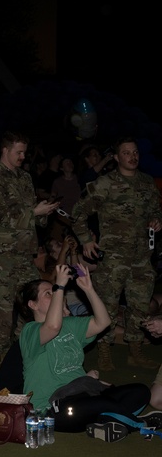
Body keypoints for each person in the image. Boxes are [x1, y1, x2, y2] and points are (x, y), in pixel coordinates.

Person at [16, 263, 159, 441]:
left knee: (141, 392)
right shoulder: (30, 331)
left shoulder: (70, 325)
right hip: (54, 409)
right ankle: (140, 424)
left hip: (86, 395)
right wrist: (59, 286)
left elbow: (103, 322)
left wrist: (89, 289)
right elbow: (52, 327)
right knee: (102, 403)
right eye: (48, 293)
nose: (54, 295)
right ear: (33, 304)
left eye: (54, 292)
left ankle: (106, 422)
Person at [70, 137, 162, 371]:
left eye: (135, 152)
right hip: (113, 258)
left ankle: (135, 350)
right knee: (108, 305)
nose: (132, 156)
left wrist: (156, 220)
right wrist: (86, 240)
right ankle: (104, 351)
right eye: (126, 152)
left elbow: (155, 209)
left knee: (140, 305)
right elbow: (78, 212)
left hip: (142, 257)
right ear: (117, 157)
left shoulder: (147, 182)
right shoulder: (105, 183)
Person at [0, 131, 59, 363]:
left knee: (30, 302)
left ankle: (28, 349)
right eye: (18, 152)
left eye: (24, 152)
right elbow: (0, 215)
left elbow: (31, 214)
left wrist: (44, 212)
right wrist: (34, 212)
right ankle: (2, 355)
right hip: (0, 255)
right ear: (5, 150)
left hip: (24, 253)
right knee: (2, 306)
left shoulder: (24, 178)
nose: (23, 156)